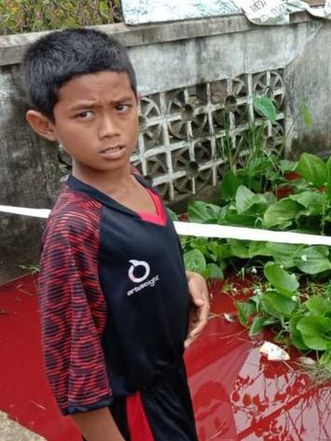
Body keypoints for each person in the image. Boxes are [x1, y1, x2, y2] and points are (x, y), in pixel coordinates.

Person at [22, 28, 209, 441]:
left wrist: (188, 283)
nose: (110, 129)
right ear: (44, 124)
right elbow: (73, 365)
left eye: (121, 107)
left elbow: (141, 271)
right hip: (134, 406)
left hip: (170, 380)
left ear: (138, 104)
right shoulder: (75, 229)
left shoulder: (139, 185)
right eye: (85, 114)